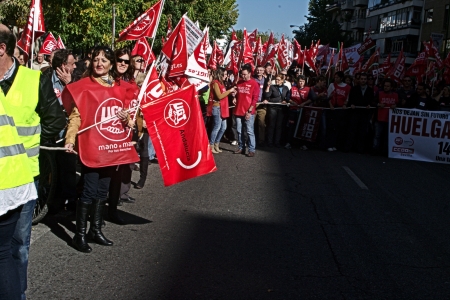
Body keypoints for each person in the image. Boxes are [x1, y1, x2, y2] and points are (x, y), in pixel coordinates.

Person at [0, 25, 66, 300]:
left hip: (24, 176)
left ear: (2, 49)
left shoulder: (33, 79)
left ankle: (18, 293)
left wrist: (27, 146)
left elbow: (56, 120)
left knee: (17, 246)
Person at [62, 46, 137, 252]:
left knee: (102, 191)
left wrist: (127, 118)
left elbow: (128, 120)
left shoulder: (119, 88)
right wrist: (70, 139)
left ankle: (95, 230)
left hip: (110, 148)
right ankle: (79, 235)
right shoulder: (83, 87)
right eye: (96, 59)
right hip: (91, 149)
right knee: (88, 191)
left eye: (104, 60)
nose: (99, 63)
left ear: (111, 64)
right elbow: (75, 117)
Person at [107, 48, 137, 224]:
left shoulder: (130, 83)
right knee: (104, 175)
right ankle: (94, 215)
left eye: (126, 61)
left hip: (124, 133)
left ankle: (112, 210)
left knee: (118, 173)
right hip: (106, 134)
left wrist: (131, 120)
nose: (123, 64)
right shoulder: (107, 81)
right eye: (120, 60)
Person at [233, 64, 260, 157]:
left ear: (249, 73)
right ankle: (241, 147)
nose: (243, 76)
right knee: (239, 130)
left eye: (245, 74)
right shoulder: (239, 82)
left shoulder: (254, 83)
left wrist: (250, 110)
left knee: (249, 131)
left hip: (248, 111)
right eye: (242, 74)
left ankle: (251, 149)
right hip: (238, 110)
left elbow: (255, 98)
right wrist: (234, 97)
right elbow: (236, 93)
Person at [344, 73, 374, 153]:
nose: (363, 80)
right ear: (359, 79)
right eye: (362, 79)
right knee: (352, 130)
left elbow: (372, 100)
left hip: (364, 113)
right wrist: (352, 104)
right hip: (355, 112)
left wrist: (369, 105)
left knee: (362, 131)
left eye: (364, 79)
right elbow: (350, 99)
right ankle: (349, 147)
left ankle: (360, 149)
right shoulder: (354, 88)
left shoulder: (370, 90)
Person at [207, 68, 235, 153]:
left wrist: (231, 93)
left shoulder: (222, 83)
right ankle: (211, 145)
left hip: (223, 107)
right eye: (225, 74)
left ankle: (216, 143)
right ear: (220, 74)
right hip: (217, 107)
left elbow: (223, 94)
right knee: (217, 127)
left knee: (223, 128)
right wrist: (229, 91)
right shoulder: (215, 83)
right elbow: (219, 96)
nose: (226, 76)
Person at [326, 71, 351, 152]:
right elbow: (328, 97)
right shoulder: (332, 85)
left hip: (341, 110)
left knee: (338, 127)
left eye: (337, 77)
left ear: (341, 78)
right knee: (331, 127)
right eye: (335, 77)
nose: (335, 79)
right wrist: (330, 105)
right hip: (333, 108)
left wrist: (345, 104)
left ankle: (336, 144)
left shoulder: (347, 87)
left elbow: (347, 98)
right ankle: (329, 144)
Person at [372, 78, 398, 155]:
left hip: (391, 119)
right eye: (385, 86)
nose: (385, 87)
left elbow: (400, 104)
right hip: (379, 118)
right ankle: (375, 150)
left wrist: (396, 105)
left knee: (387, 136)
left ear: (391, 87)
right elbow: (373, 102)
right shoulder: (379, 93)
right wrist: (378, 104)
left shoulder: (396, 95)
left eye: (388, 86)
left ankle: (385, 151)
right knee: (377, 135)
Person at [264, 74, 290, 147]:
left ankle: (277, 142)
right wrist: (268, 87)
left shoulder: (286, 88)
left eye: (278, 79)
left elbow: (288, 97)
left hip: (281, 108)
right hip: (273, 107)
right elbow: (267, 95)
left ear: (282, 80)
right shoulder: (272, 87)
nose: (277, 81)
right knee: (271, 125)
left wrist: (285, 100)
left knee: (279, 126)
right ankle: (270, 142)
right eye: (276, 79)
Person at [286, 75, 311, 149]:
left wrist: (304, 103)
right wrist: (292, 102)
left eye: (303, 81)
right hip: (293, 110)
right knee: (291, 126)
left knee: (302, 127)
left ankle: (302, 144)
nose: (301, 83)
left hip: (303, 111)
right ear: (297, 81)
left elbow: (312, 98)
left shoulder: (308, 89)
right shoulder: (293, 88)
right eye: (300, 81)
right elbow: (288, 98)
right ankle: (289, 142)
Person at [253, 65, 266, 146]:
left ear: (263, 71)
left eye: (261, 70)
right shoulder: (252, 79)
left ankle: (261, 141)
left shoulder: (267, 80)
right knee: (251, 123)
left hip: (262, 105)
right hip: (253, 104)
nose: (259, 72)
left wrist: (266, 98)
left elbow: (268, 92)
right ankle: (250, 140)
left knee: (261, 123)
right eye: (258, 70)